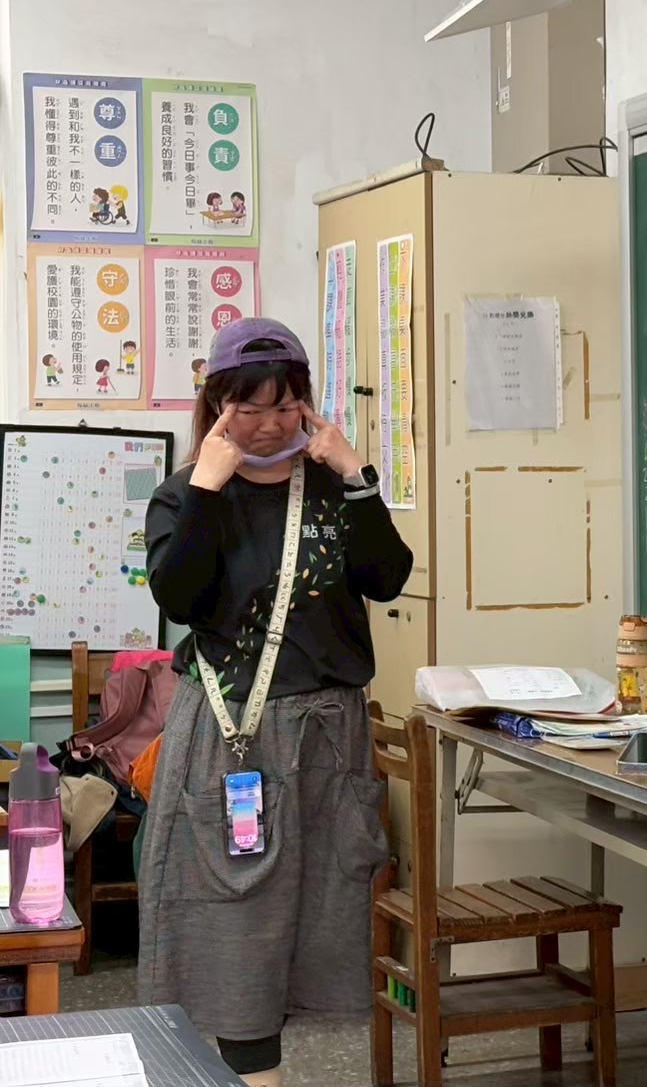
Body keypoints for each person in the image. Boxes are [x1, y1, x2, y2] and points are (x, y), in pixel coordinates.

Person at [139, 317, 413, 1087]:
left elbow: (387, 578)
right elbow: (181, 598)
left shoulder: (332, 490)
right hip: (230, 736)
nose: (268, 425)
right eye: (249, 408)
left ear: (307, 405)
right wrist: (206, 486)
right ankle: (253, 1074)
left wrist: (358, 476)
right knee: (230, 914)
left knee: (323, 906)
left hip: (327, 737)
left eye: (285, 407)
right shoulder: (185, 495)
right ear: (217, 408)